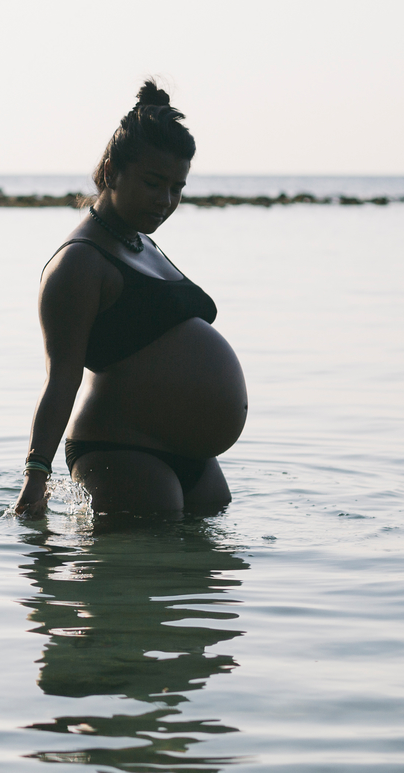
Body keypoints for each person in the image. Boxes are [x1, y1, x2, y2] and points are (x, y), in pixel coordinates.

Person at [13, 81, 247, 522]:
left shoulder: (140, 242)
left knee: (207, 578)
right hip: (122, 449)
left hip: (184, 452)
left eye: (177, 188)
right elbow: (62, 379)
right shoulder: (79, 263)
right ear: (111, 171)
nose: (166, 201)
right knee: (134, 578)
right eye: (153, 183)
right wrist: (36, 475)